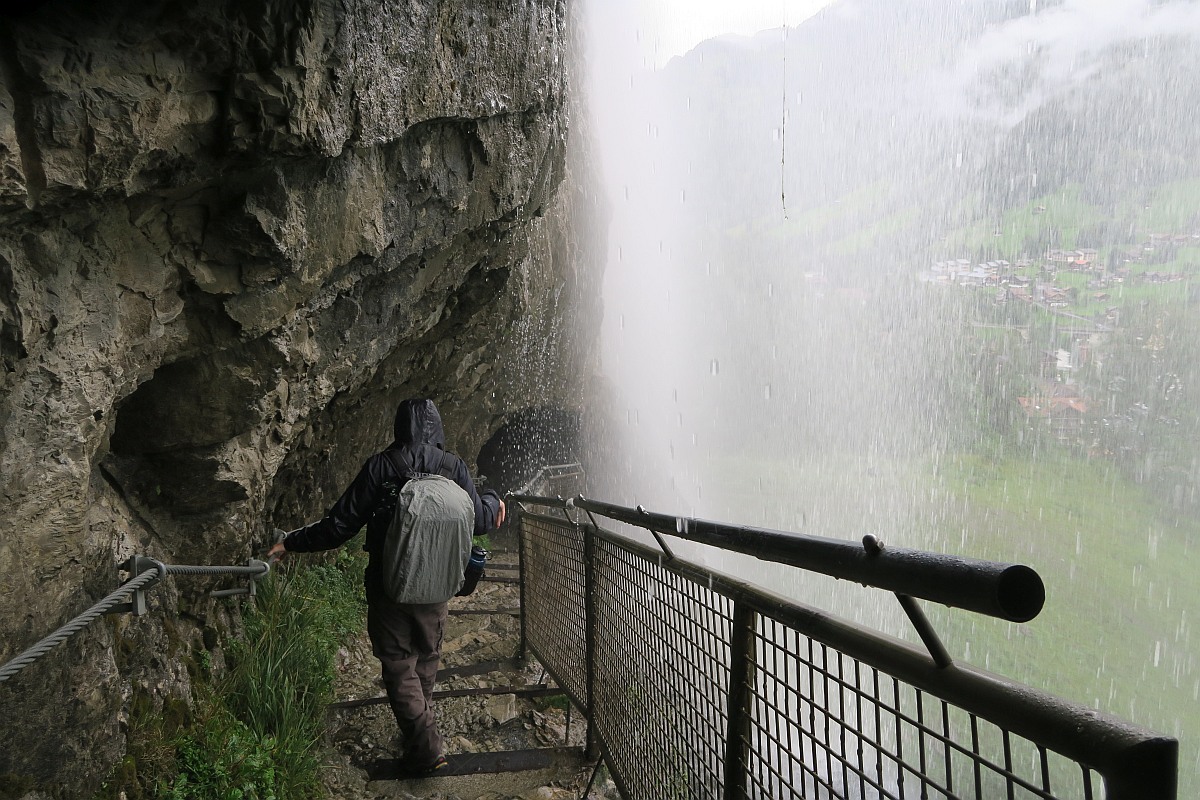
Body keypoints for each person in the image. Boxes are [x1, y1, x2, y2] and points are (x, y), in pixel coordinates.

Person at [267, 398, 505, 775]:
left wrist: (291, 543)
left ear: (399, 426)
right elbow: (479, 520)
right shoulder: (453, 466)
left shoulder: (383, 465)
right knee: (426, 657)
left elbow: (339, 526)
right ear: (437, 427)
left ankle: (425, 746)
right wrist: (493, 502)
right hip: (439, 584)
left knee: (398, 664)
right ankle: (421, 734)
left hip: (388, 583)